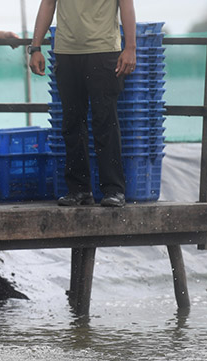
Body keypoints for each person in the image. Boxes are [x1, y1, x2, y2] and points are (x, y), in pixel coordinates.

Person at [29, 0, 136, 207]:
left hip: (104, 50)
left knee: (105, 121)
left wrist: (130, 47)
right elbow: (48, 4)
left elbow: (126, 5)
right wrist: (35, 47)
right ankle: (79, 189)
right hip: (66, 51)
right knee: (71, 122)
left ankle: (113, 189)